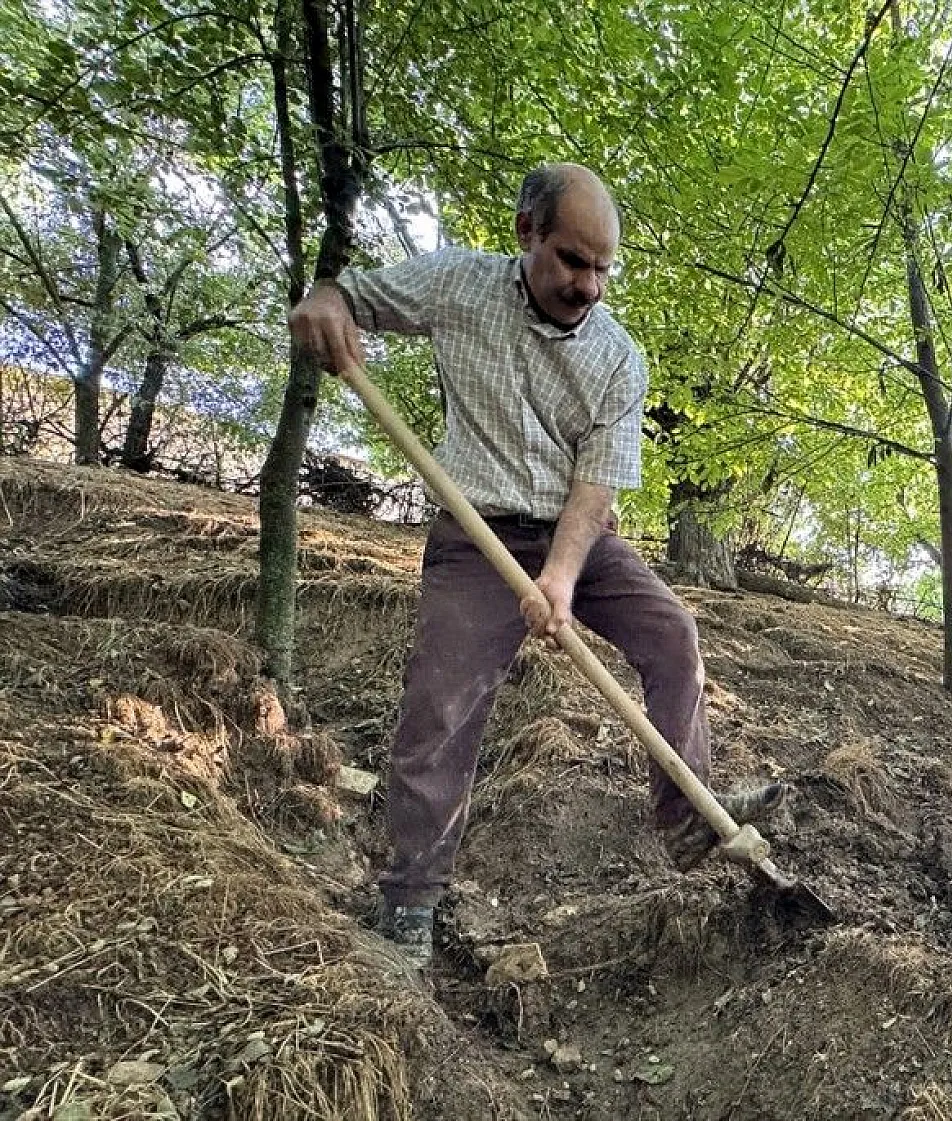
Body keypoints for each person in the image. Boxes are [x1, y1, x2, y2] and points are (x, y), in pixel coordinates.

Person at [287, 163, 787, 966]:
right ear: (527, 233)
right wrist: (328, 299)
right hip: (473, 535)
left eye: (602, 268)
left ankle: (686, 812)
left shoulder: (618, 359)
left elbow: (596, 487)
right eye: (571, 259)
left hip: (576, 538)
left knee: (672, 634)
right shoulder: (457, 283)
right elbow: (354, 299)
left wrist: (559, 575)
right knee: (441, 707)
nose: (588, 284)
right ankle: (410, 901)